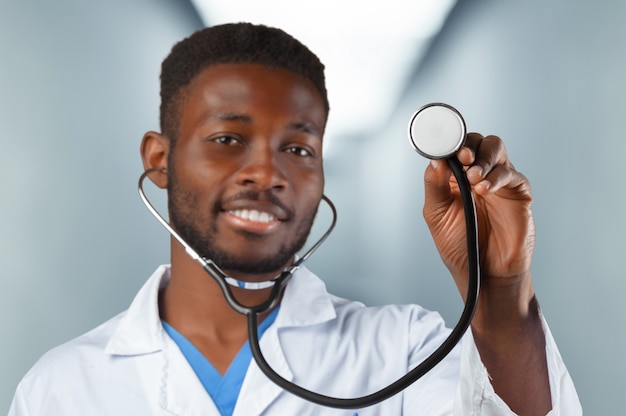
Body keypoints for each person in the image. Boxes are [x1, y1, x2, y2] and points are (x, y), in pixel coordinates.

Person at [8, 23, 581, 415]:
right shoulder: (60, 387)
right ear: (160, 160)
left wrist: (502, 292)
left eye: (299, 149)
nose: (268, 172)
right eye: (229, 138)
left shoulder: (406, 351)